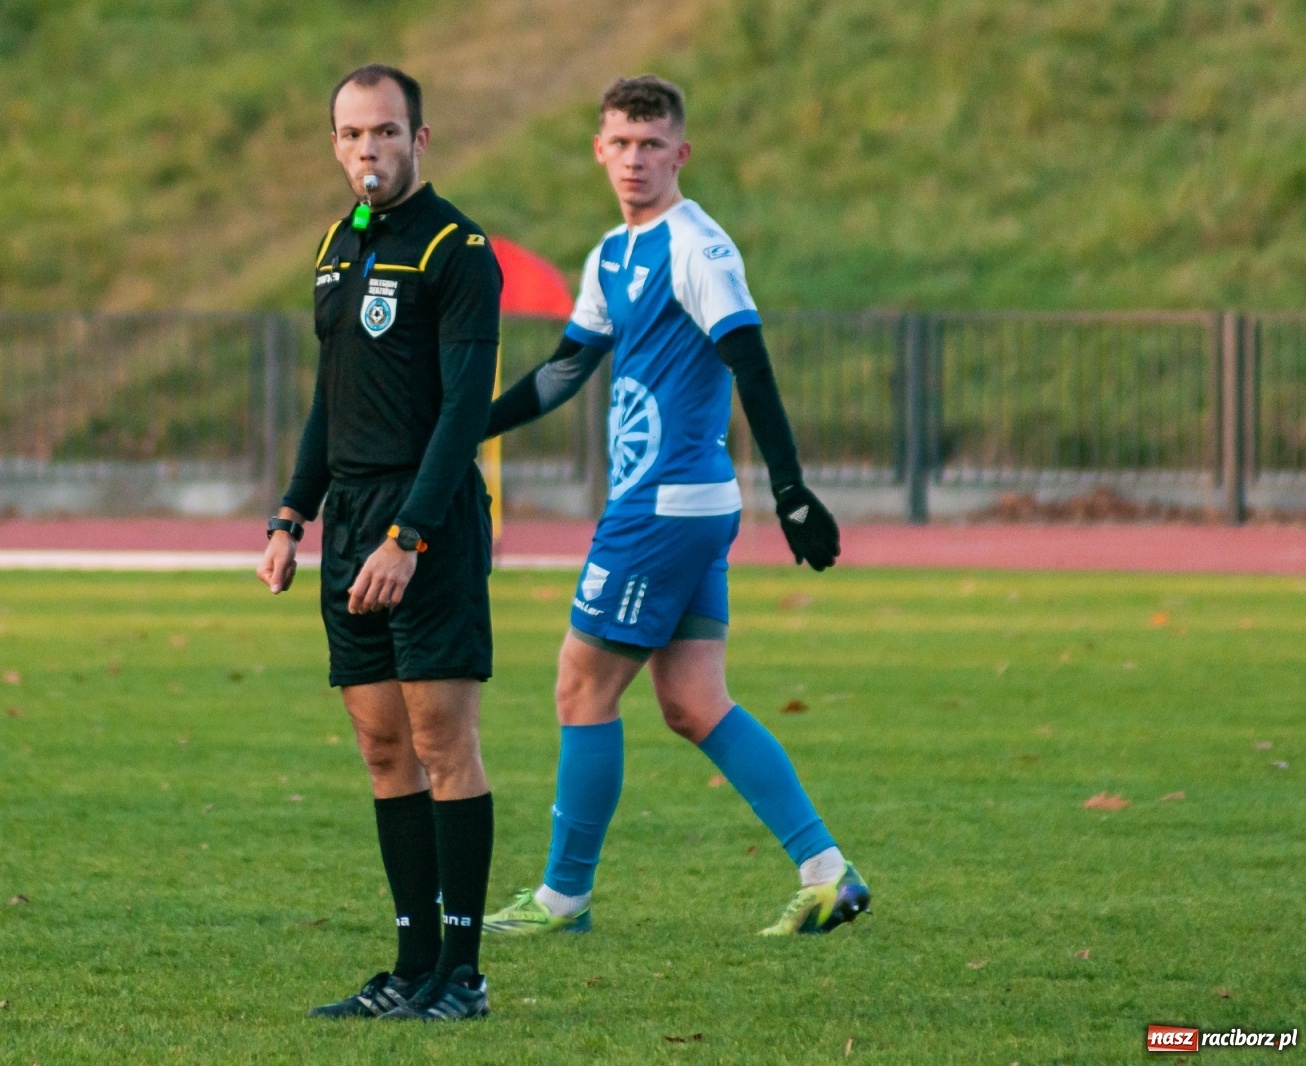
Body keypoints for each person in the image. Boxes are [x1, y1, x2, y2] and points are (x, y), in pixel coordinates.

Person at [480, 75, 870, 938]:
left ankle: (562, 898)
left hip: (663, 507)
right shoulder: (610, 255)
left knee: (581, 687)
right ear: (598, 149)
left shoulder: (697, 246)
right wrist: (473, 421)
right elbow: (564, 371)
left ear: (680, 154)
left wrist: (793, 486)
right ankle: (828, 873)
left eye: (651, 145)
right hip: (674, 505)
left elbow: (751, 362)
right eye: (620, 143)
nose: (634, 161)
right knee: (693, 700)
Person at [257, 63, 501, 1021]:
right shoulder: (335, 245)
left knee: (444, 742)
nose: (370, 150)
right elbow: (334, 397)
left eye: (388, 133)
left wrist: (409, 535)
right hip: (350, 518)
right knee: (380, 747)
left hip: (423, 521)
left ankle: (465, 974)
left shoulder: (456, 248)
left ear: (420, 141)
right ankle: (410, 966)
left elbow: (463, 412)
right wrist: (291, 514)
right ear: (336, 145)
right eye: (354, 135)